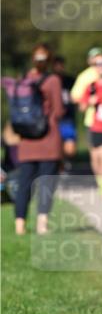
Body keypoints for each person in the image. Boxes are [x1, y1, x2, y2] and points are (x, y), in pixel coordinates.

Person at [12, 44, 64, 235]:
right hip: (48, 139)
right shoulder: (53, 80)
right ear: (49, 60)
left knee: (24, 183)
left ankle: (20, 225)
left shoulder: (22, 80)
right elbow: (58, 111)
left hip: (26, 140)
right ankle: (42, 224)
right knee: (46, 183)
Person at [70, 47, 102, 194]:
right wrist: (91, 99)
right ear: (90, 61)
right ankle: (101, 181)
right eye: (96, 61)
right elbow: (76, 98)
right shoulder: (85, 77)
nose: (100, 65)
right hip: (92, 122)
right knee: (96, 156)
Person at [52, 55, 77, 170]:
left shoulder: (70, 80)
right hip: (53, 119)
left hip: (68, 118)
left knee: (70, 148)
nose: (59, 68)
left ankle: (64, 162)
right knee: (56, 146)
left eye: (61, 65)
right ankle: (60, 167)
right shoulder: (48, 80)